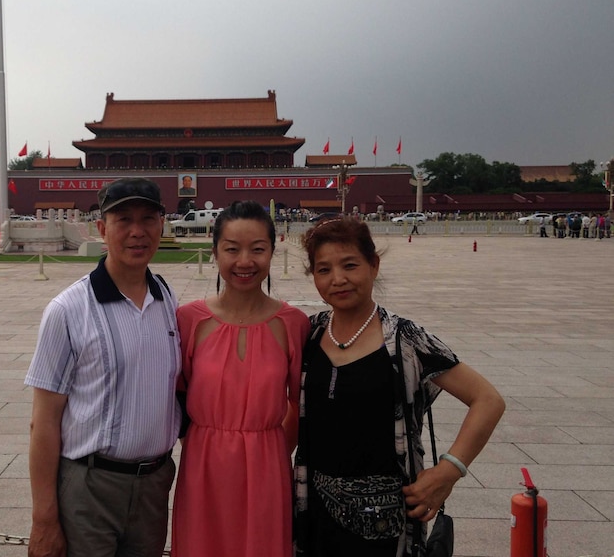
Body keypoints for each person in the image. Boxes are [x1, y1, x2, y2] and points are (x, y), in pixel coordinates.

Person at [294, 219, 505, 557]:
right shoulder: (308, 334)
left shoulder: (405, 340)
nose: (338, 279)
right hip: (314, 515)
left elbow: (487, 399)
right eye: (324, 269)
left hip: (388, 523)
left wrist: (449, 471)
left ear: (373, 265)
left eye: (350, 265)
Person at [24, 177, 181, 557]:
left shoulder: (168, 300)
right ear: (101, 228)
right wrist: (44, 520)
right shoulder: (68, 310)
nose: (137, 232)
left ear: (162, 225)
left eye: (148, 219)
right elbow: (43, 421)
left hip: (155, 485)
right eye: (123, 219)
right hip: (90, 486)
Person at [172, 201, 309, 557]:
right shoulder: (189, 320)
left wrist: (274, 451)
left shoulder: (293, 324)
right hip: (203, 465)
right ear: (215, 251)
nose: (244, 261)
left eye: (257, 249)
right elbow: (177, 394)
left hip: (267, 463)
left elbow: (298, 401)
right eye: (232, 249)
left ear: (272, 251)